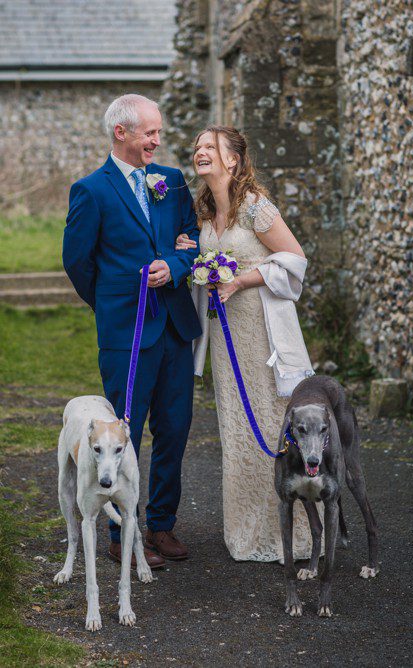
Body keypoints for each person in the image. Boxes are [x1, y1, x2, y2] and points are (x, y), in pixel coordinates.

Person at [63, 94, 201, 567]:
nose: (157, 141)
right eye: (150, 133)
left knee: (176, 429)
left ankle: (161, 525)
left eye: (158, 132)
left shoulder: (173, 182)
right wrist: (111, 305)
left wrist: (176, 263)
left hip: (176, 329)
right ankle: (123, 533)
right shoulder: (91, 190)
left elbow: (192, 238)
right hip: (126, 334)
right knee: (123, 435)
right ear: (121, 133)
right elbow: (77, 262)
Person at [176, 126, 316, 562]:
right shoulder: (203, 211)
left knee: (271, 419)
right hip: (224, 330)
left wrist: (240, 279)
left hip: (260, 324)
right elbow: (208, 264)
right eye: (197, 147)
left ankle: (291, 534)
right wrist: (191, 253)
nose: (201, 152)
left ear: (232, 159)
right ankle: (246, 529)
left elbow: (294, 260)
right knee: (235, 425)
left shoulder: (255, 206)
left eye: (210, 147)